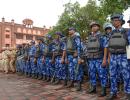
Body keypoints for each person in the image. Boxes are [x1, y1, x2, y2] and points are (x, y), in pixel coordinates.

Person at [106, 14, 130, 100]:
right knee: (112, 75)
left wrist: (129, 58)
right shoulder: (111, 33)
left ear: (120, 21)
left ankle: (128, 93)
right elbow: (108, 46)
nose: (114, 22)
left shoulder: (126, 32)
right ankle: (113, 92)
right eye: (113, 20)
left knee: (126, 75)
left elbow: (129, 46)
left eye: (116, 20)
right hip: (113, 57)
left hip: (123, 56)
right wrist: (108, 57)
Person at [87, 22, 108, 97]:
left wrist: (104, 59)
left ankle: (103, 90)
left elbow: (106, 47)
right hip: (91, 58)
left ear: (98, 27)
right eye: (92, 26)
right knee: (92, 74)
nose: (93, 27)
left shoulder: (102, 36)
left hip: (99, 58)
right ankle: (93, 88)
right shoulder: (89, 37)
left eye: (95, 26)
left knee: (102, 74)